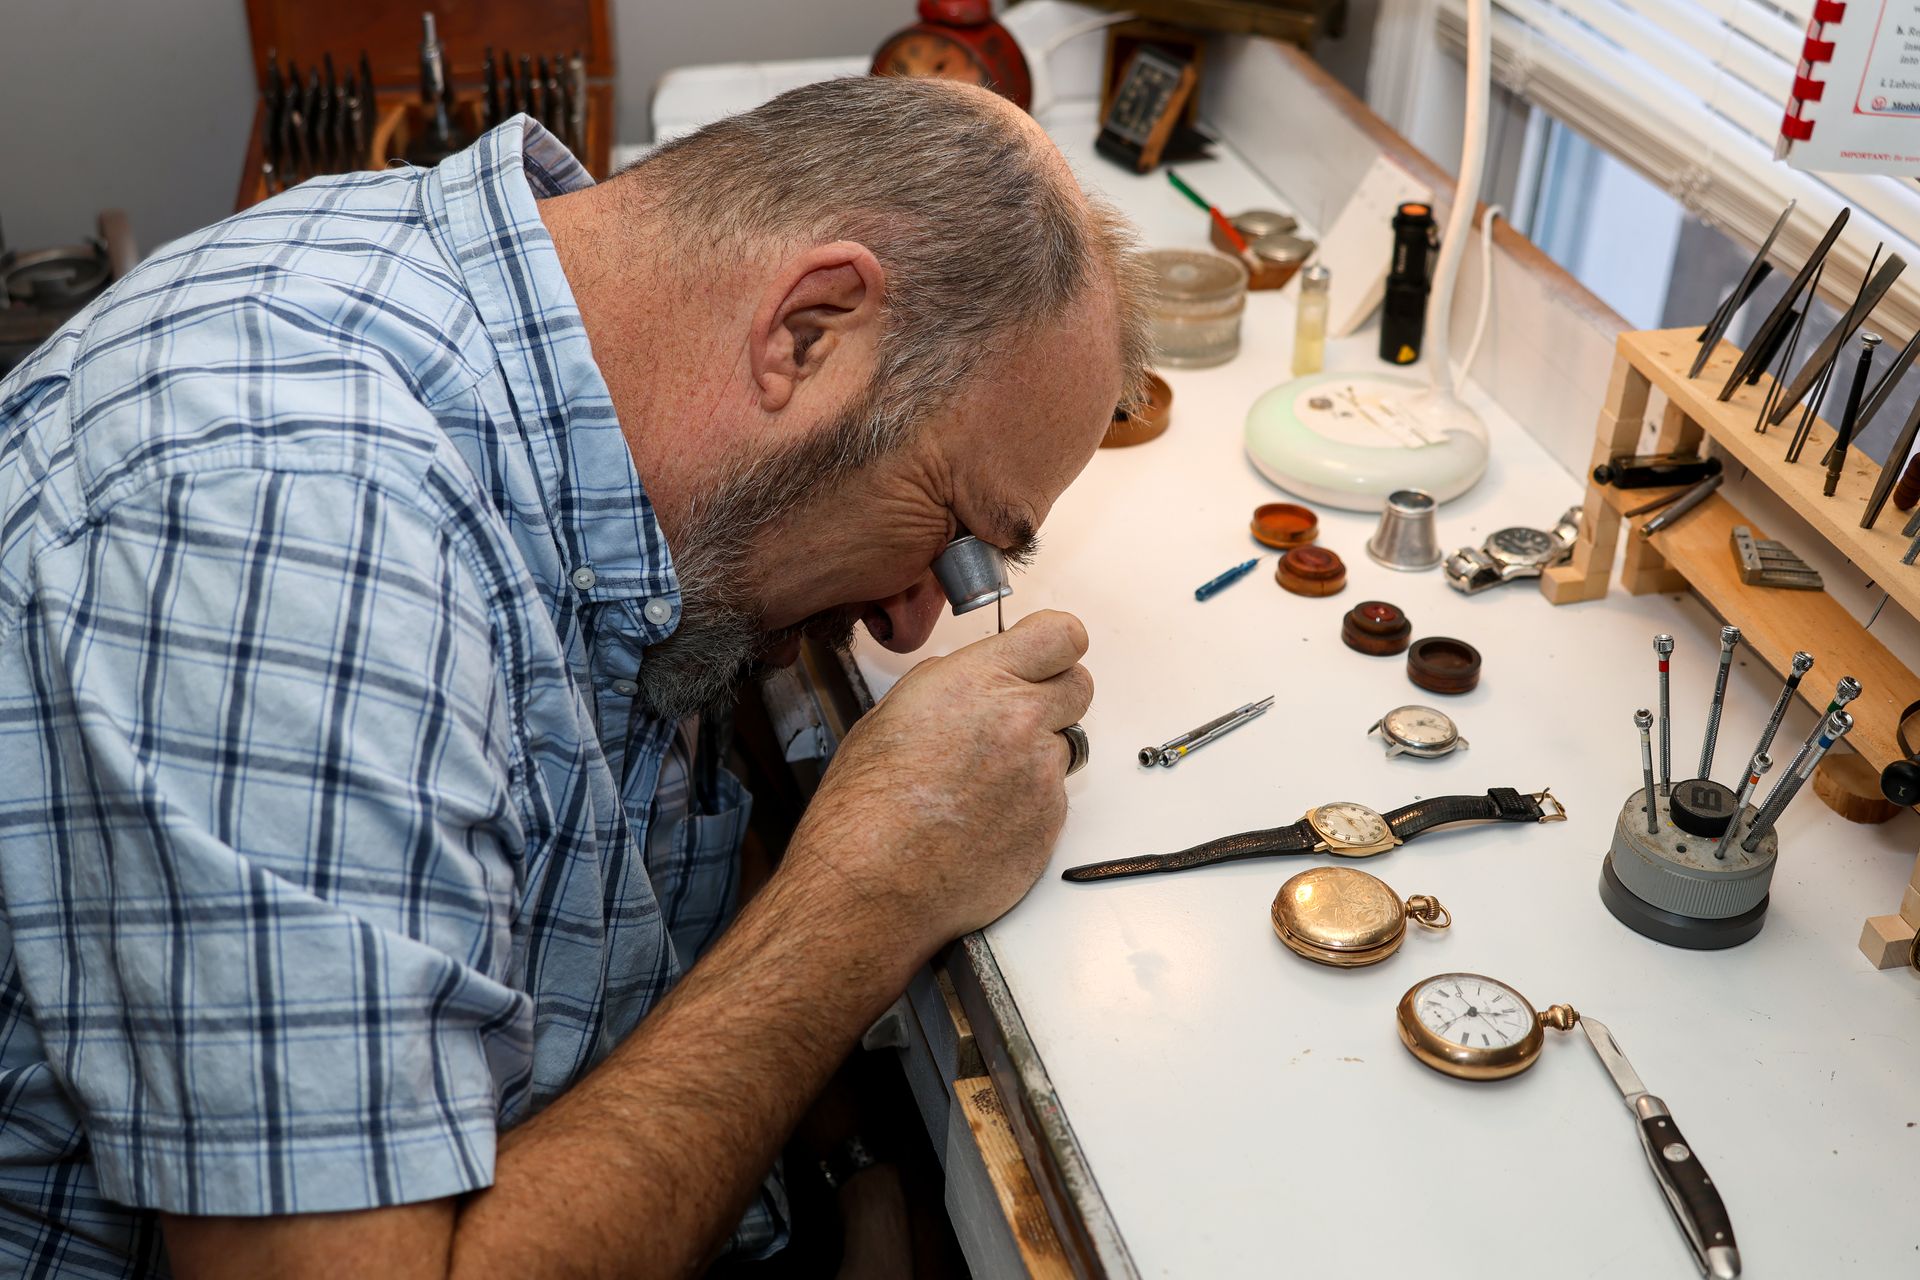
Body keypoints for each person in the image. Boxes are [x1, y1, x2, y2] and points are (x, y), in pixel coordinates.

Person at [0, 75, 1150, 1278]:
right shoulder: (298, 522)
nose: (913, 622)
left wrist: (849, 1165)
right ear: (807, 331)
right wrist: (864, 899)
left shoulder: (585, 350)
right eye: (953, 533)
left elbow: (624, 861)